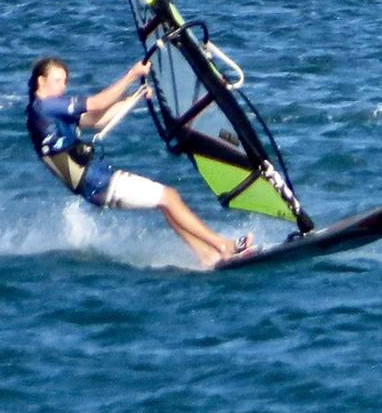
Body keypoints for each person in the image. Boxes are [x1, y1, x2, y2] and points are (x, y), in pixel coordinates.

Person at [25, 56, 251, 268]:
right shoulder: (45, 106)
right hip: (97, 181)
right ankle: (223, 245)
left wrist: (134, 96)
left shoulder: (47, 113)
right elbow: (97, 103)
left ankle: (206, 255)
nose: (63, 87)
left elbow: (97, 120)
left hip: (94, 182)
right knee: (168, 197)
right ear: (41, 81)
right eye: (57, 81)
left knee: (166, 201)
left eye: (65, 82)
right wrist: (133, 74)